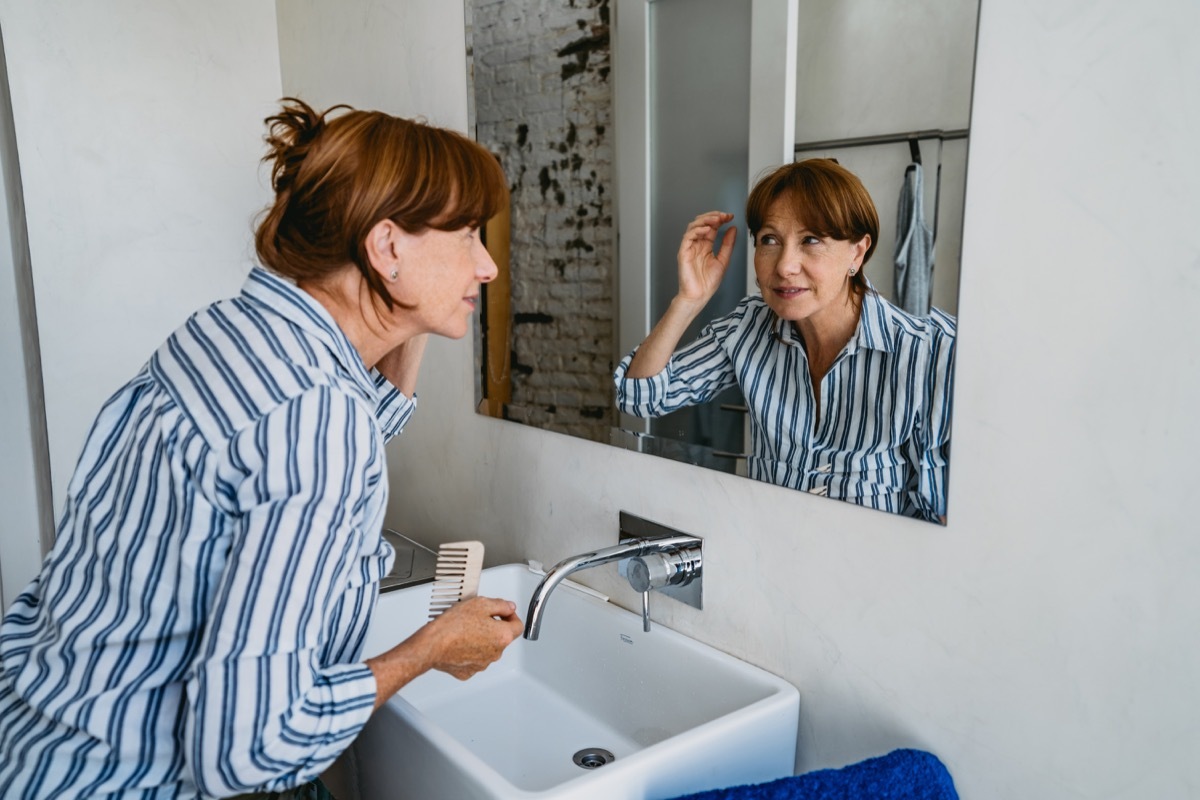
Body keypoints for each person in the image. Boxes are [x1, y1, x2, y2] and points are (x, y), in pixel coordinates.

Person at [0, 98, 524, 798]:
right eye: (465, 235)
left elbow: (335, 429)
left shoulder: (228, 334)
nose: (487, 267)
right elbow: (249, 750)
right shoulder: (318, 419)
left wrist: (410, 312)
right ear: (387, 247)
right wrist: (430, 648)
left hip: (42, 741)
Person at [614, 159, 955, 522]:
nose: (784, 266)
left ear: (857, 252)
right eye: (770, 240)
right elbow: (639, 397)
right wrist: (689, 300)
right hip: (767, 560)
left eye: (811, 240)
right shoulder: (750, 327)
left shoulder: (929, 354)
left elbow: (942, 519)